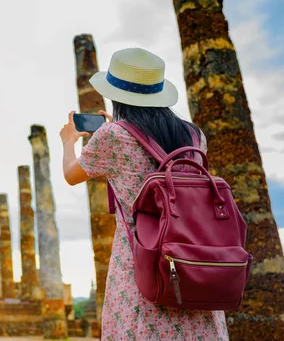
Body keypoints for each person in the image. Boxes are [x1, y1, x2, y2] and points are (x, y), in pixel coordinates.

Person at [60, 48, 229, 340]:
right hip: (194, 260)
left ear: (116, 95)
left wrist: (68, 141)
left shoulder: (112, 136)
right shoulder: (193, 134)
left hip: (142, 263)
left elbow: (71, 175)